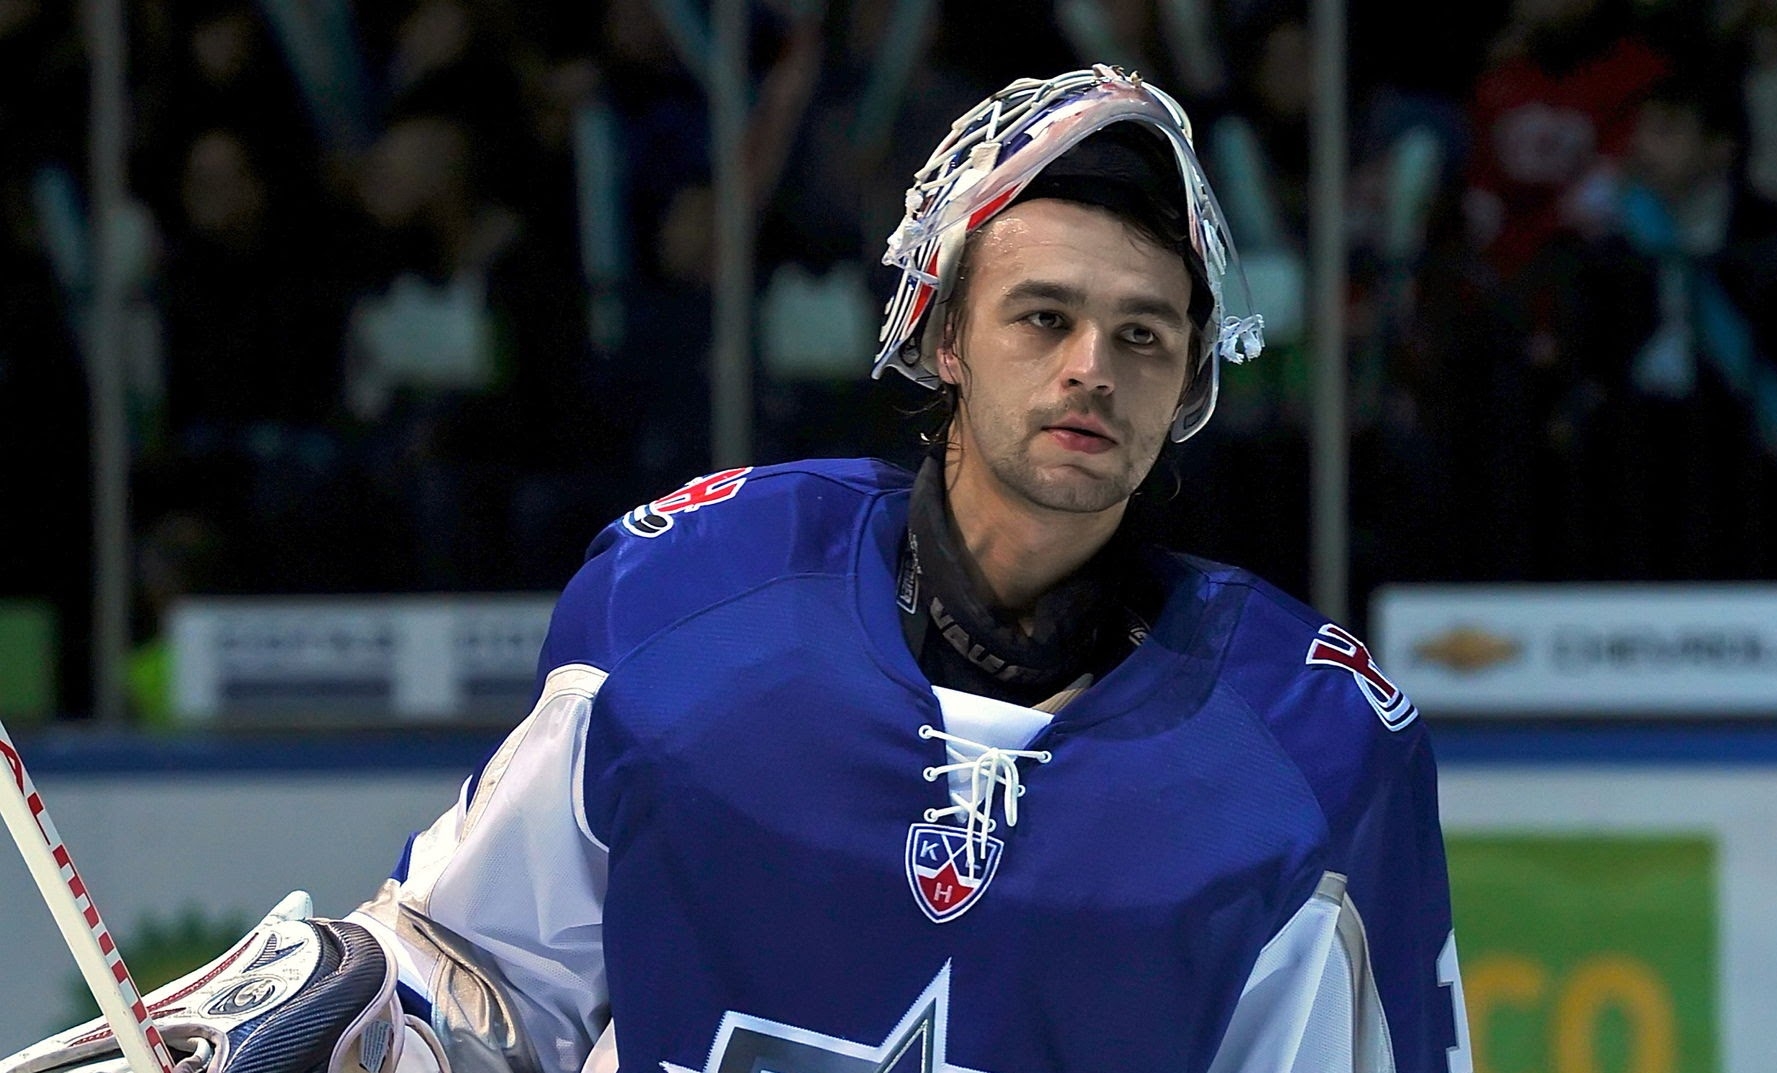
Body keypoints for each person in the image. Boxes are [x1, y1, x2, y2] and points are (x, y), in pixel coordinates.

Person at [2, 66, 1468, 1073]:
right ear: (943, 337)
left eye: (1143, 334)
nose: (1093, 367)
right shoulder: (691, 598)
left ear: (1191, 377)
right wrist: (351, 1033)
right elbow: (484, 972)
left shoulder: (1310, 748)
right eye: (1043, 318)